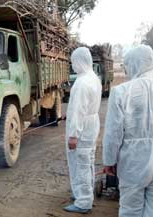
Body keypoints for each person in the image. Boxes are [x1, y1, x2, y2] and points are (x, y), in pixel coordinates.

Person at [103, 45, 153, 217]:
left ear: (133, 64)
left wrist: (109, 160)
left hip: (133, 160)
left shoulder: (122, 91)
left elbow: (113, 133)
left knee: (130, 208)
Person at [64, 47, 102, 213]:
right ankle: (83, 192)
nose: (72, 65)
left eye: (73, 62)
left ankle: (83, 202)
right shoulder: (93, 78)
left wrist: (73, 135)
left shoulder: (82, 83)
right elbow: (81, 107)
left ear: (80, 61)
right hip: (91, 124)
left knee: (81, 164)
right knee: (88, 161)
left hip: (82, 128)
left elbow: (79, 110)